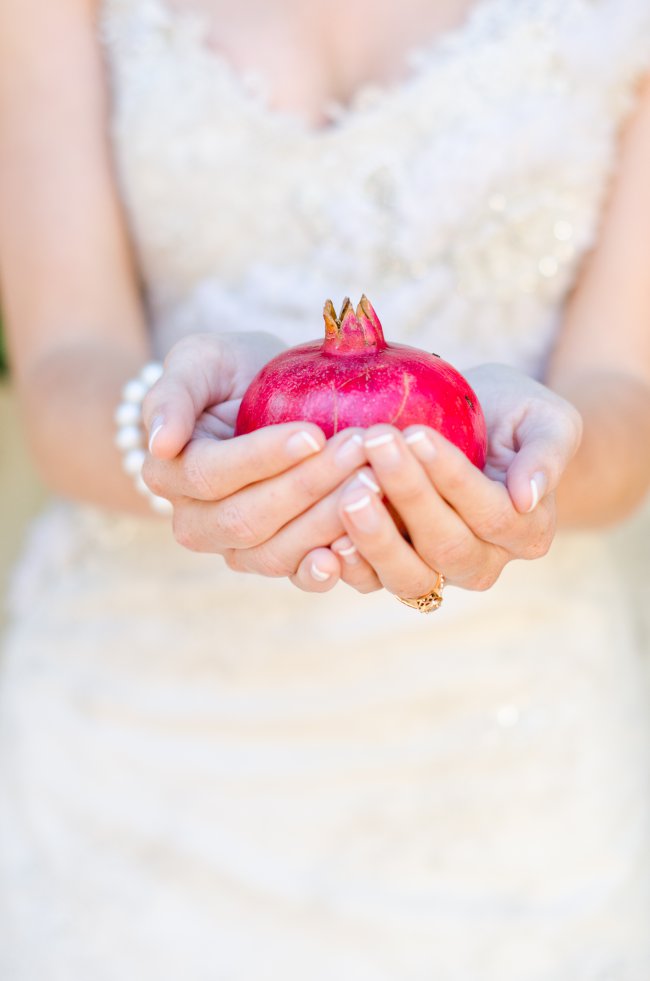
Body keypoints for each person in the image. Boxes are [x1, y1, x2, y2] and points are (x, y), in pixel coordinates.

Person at [1, 0, 649, 977]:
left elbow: (624, 397)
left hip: (506, 775)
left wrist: (533, 470)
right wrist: (166, 435)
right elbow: (62, 364)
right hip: (129, 755)